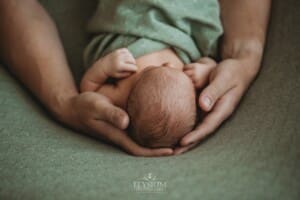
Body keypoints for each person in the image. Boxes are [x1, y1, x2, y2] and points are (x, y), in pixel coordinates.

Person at [0, 0, 271, 156]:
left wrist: (107, 66)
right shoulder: (189, 83)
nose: (172, 69)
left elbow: (88, 88)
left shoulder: (120, 93)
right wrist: (204, 69)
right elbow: (210, 67)